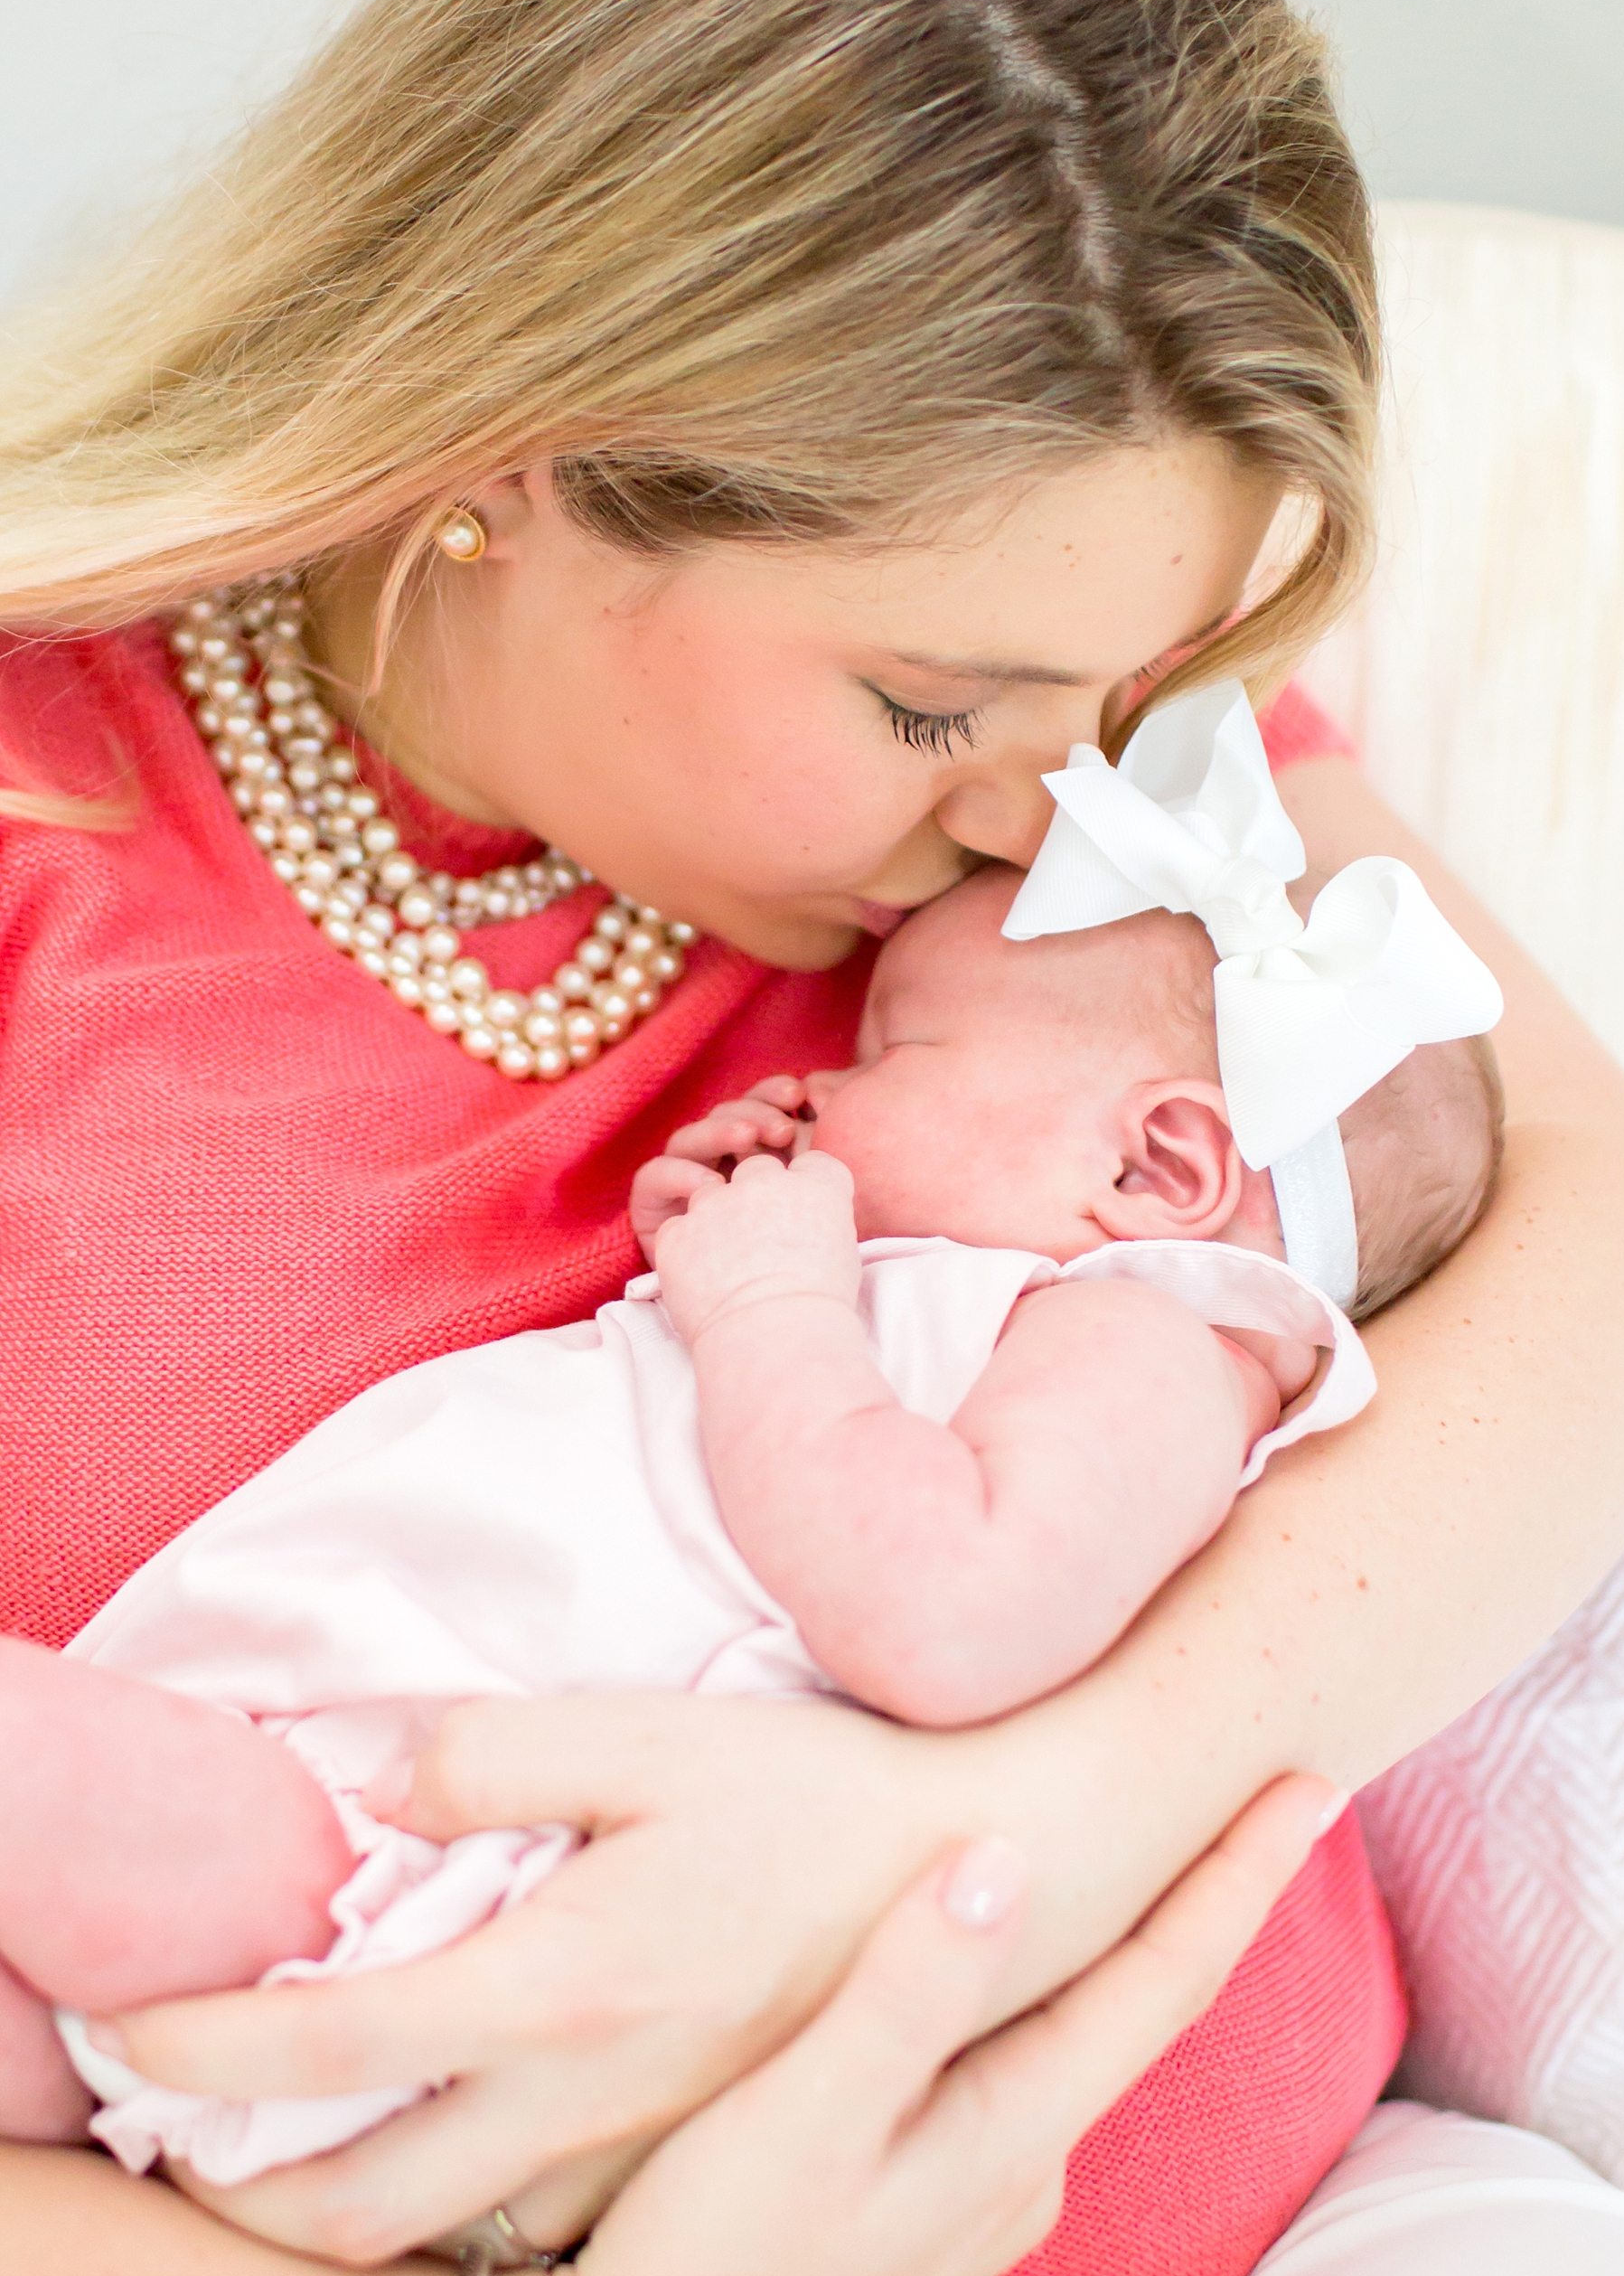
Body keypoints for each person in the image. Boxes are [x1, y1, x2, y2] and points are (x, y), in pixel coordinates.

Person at [2, 0, 1624, 2276]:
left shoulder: (1085, 791)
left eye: (1132, 703)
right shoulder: (58, 834)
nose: (1050, 814)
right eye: (927, 701)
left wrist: (1010, 1830)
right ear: (513, 445)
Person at [6, 796, 1502, 2177]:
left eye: (892, 1058)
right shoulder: (989, 1301)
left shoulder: (1147, 1339)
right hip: (308, 1820)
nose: (817, 1088)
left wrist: (768, 1305)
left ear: (1161, 1166)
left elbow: (942, 1619)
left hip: (399, 1871)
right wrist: (732, 1254)